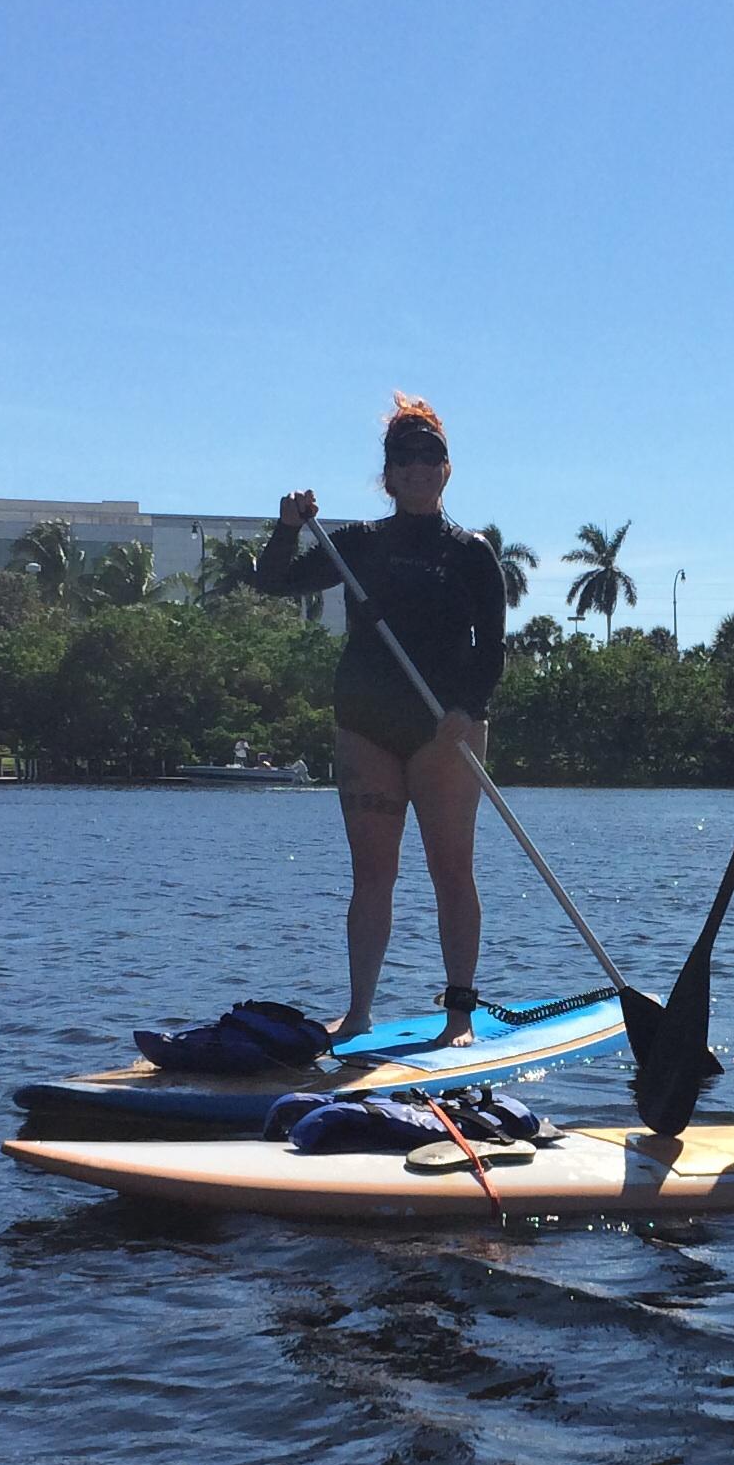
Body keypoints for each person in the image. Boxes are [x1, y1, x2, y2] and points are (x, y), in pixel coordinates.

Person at [252, 394, 510, 1037]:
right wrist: (287, 526)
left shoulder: (473, 553)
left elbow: (493, 649)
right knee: (373, 875)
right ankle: (359, 1012)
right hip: (367, 726)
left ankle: (459, 1016)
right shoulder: (356, 545)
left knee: (451, 869)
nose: (419, 467)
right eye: (406, 457)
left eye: (432, 455)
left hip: (445, 731)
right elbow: (273, 581)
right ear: (389, 474)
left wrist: (467, 709)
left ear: (447, 470)